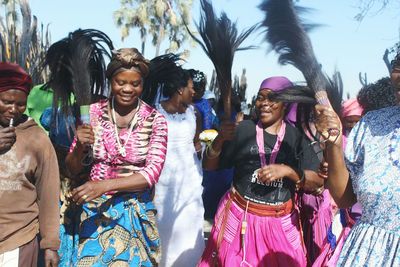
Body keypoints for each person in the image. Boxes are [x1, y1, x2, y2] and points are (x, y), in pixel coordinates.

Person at [199, 76, 323, 266]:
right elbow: (209, 165)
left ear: (285, 104)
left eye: (272, 98)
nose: (264, 103)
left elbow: (317, 182)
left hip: (280, 224)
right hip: (240, 218)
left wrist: (290, 171)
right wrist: (220, 140)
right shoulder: (244, 130)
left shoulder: (296, 138)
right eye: (260, 97)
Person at [65, 48, 168, 266]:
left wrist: (104, 186)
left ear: (143, 84)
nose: (128, 89)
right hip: (93, 212)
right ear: (111, 81)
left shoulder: (154, 120)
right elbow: (72, 169)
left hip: (134, 212)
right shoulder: (92, 113)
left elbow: (151, 174)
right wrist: (79, 147)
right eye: (121, 82)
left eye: (135, 83)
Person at [314, 52, 400, 266]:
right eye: (398, 66)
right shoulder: (373, 124)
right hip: (366, 253)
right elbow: (344, 198)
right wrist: (333, 144)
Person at [0, 62, 60, 267]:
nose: (13, 110)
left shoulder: (36, 138)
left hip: (19, 238)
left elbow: (49, 193)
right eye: (6, 102)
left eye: (20, 104)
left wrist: (50, 244)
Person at [151, 59, 205, 266]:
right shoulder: (155, 112)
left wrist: (205, 146)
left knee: (188, 230)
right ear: (180, 89)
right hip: (163, 181)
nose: (195, 91)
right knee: (163, 232)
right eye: (191, 87)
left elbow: (196, 143)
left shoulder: (195, 114)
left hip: (189, 180)